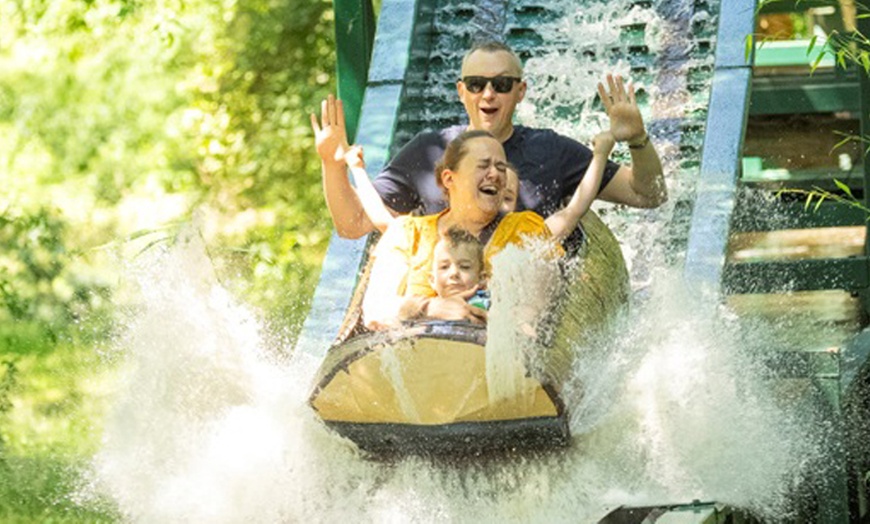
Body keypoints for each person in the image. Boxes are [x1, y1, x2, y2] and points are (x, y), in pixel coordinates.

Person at [311, 40, 666, 241]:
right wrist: (333, 164)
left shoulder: (551, 150)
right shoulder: (428, 151)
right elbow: (352, 224)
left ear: (521, 91)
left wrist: (637, 139)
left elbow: (648, 195)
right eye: (477, 84)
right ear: (462, 91)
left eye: (502, 84)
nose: (489, 94)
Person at [361, 130, 563, 330]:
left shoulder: (525, 229)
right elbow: (376, 310)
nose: (495, 174)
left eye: (501, 168)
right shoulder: (407, 232)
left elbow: (534, 312)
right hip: (418, 352)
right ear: (449, 179)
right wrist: (430, 307)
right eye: (483, 166)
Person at [344, 128, 615, 246]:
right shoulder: (426, 232)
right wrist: (355, 170)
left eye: (507, 191)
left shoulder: (521, 232)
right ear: (450, 182)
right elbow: (381, 219)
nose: (495, 179)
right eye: (485, 169)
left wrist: (600, 156)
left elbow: (573, 211)